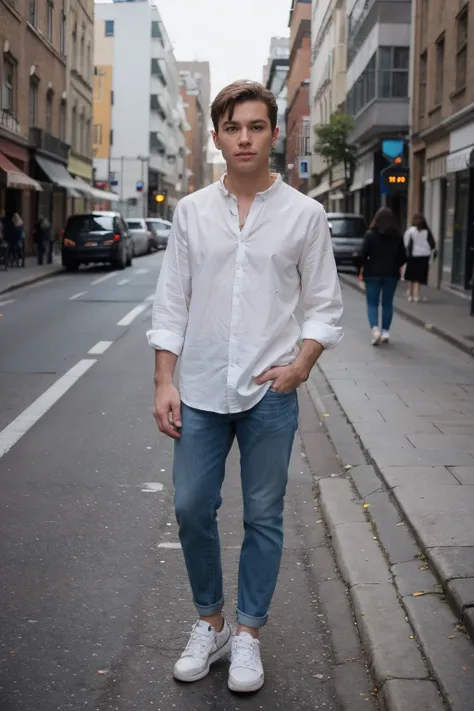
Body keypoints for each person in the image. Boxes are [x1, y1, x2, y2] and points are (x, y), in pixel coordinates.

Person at [147, 80, 343, 694]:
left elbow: (324, 307)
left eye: (256, 127)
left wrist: (300, 366)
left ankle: (249, 635)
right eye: (232, 128)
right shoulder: (191, 212)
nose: (244, 138)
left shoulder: (304, 216)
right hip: (200, 389)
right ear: (216, 138)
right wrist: (163, 381)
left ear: (273, 133)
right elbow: (171, 302)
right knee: (190, 508)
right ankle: (211, 623)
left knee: (263, 516)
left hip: (269, 394)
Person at [360, 207, 406, 345]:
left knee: (372, 303)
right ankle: (385, 331)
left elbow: (363, 253)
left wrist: (364, 265)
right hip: (391, 274)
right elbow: (403, 257)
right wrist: (395, 263)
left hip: (372, 273)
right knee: (387, 303)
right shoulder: (397, 236)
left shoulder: (370, 235)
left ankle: (375, 330)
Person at [404, 214, 437, 302]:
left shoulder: (410, 231)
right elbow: (432, 244)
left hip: (413, 256)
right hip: (424, 256)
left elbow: (406, 242)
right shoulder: (427, 231)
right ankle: (416, 295)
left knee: (411, 277)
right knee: (418, 278)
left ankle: (410, 295)